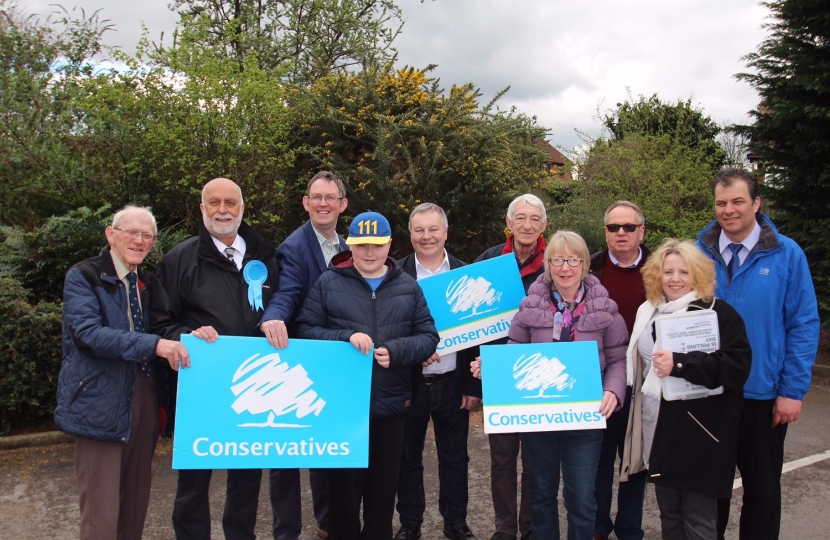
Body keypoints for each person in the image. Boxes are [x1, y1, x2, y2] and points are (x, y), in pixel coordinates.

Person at [472, 230, 627, 540]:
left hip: (585, 418)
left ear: (584, 264)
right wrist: (493, 367)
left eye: (572, 260)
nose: (564, 267)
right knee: (541, 494)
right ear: (548, 264)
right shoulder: (528, 307)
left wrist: (613, 390)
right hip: (538, 417)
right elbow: (515, 351)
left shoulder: (605, 308)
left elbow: (618, 359)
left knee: (581, 499)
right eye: (557, 259)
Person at [294, 210, 440, 540]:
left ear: (389, 245)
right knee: (343, 498)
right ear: (351, 245)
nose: (370, 253)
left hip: (391, 407)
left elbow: (428, 336)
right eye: (362, 245)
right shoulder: (328, 282)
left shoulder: (408, 285)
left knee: (382, 496)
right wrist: (344, 337)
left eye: (377, 245)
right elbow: (305, 330)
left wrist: (399, 351)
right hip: (342, 408)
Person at [149, 178, 279, 540]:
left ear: (242, 208)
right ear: (202, 208)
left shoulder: (265, 256)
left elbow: (284, 307)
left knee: (247, 478)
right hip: (201, 385)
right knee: (194, 479)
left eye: (230, 202)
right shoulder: (179, 260)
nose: (223, 209)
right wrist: (185, 337)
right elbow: (159, 323)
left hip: (256, 383)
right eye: (214, 202)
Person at [695, 168, 820, 540]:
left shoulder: (787, 255)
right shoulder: (697, 253)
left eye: (737, 201)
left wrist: (793, 391)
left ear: (756, 203)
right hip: (709, 393)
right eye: (721, 203)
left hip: (762, 394)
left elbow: (803, 324)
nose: (728, 210)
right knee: (707, 492)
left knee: (763, 492)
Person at [55, 205, 190, 540]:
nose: (139, 240)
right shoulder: (83, 276)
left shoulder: (142, 283)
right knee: (101, 515)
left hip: (144, 398)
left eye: (147, 235)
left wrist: (191, 337)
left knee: (135, 503)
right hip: (100, 401)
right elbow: (87, 335)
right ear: (110, 234)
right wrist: (154, 345)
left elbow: (164, 327)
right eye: (132, 232)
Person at [621, 239, 752, 539]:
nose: (675, 279)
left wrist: (680, 363)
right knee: (671, 517)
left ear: (699, 275)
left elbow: (736, 367)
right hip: (660, 430)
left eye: (684, 272)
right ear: (657, 275)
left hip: (702, 436)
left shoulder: (719, 313)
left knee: (699, 522)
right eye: (668, 272)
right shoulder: (650, 312)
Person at [260, 171, 347, 540]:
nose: (323, 203)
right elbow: (288, 290)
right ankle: (286, 531)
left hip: (337, 356)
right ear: (306, 203)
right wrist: (274, 317)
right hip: (298, 357)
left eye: (330, 197)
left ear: (342, 205)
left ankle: (327, 522)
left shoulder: (347, 245)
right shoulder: (294, 246)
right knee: (287, 450)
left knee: (326, 443)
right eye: (316, 197)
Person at [393, 203, 482, 540]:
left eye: (433, 229)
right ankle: (410, 522)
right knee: (407, 457)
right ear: (410, 234)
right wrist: (414, 350)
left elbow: (482, 331)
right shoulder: (395, 275)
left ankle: (456, 523)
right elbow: (388, 325)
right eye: (419, 230)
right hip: (409, 382)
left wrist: (474, 386)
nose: (426, 236)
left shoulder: (467, 273)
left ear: (446, 232)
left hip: (453, 384)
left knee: (456, 458)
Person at [473, 193, 548, 540]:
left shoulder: (556, 262)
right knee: (502, 461)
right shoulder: (489, 262)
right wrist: (471, 380)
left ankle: (530, 529)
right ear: (509, 223)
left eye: (534, 218)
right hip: (499, 375)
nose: (527, 225)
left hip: (539, 374)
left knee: (534, 462)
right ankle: (505, 530)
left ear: (544, 225)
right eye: (520, 218)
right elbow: (469, 327)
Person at [589, 201, 651, 540]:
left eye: (629, 227)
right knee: (597, 460)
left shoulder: (660, 270)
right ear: (606, 233)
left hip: (643, 383)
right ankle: (598, 526)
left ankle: (629, 527)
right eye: (614, 228)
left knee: (634, 461)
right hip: (598, 382)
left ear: (642, 231)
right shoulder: (591, 269)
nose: (621, 233)